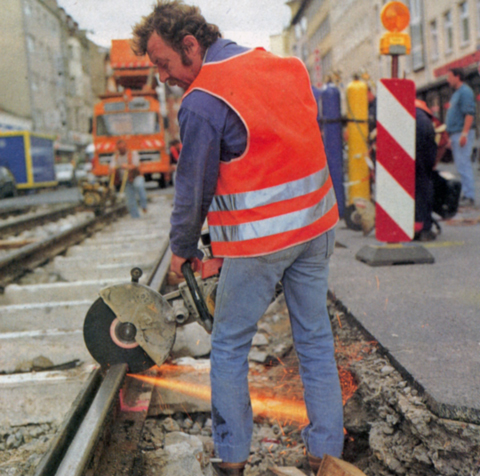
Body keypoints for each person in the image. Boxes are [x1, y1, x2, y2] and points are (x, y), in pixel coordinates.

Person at [132, 2, 344, 475]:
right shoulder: (284, 66)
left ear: (190, 46)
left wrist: (183, 250)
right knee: (314, 338)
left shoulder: (203, 102)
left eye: (164, 64)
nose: (163, 77)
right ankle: (325, 455)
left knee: (228, 345)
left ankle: (231, 459)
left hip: (261, 243)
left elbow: (192, 191)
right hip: (316, 226)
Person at [446, 68, 476, 207]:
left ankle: (469, 196)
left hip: (461, 133)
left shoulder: (465, 92)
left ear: (457, 77)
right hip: (455, 134)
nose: (448, 79)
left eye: (450, 76)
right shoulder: (457, 93)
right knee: (461, 165)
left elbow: (469, 114)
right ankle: (466, 194)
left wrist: (464, 134)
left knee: (464, 164)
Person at [414, 100, 438, 241]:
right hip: (425, 130)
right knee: (424, 181)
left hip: (417, 130)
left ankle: (421, 226)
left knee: (419, 183)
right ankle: (425, 227)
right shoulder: (421, 108)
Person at [109, 139, 148, 218]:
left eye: (122, 147)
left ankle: (143, 205)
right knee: (130, 200)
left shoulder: (133, 153)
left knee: (139, 186)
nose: (121, 149)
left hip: (136, 176)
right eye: (119, 148)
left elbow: (135, 165)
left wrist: (127, 166)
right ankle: (135, 217)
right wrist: (112, 169)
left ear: (125, 147)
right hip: (125, 179)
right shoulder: (115, 156)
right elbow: (111, 166)